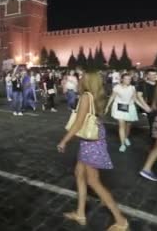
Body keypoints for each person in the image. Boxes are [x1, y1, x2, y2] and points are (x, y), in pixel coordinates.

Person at [57, 72, 129, 231]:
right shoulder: (97, 96)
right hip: (93, 139)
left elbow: (78, 123)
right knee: (78, 173)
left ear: (88, 80)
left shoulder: (86, 97)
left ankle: (121, 220)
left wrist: (64, 141)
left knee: (93, 182)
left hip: (91, 142)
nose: (80, 78)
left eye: (83, 76)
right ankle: (81, 213)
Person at [105, 73, 151, 152]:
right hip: (119, 107)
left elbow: (135, 99)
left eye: (129, 79)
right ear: (122, 79)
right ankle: (122, 144)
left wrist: (144, 107)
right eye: (126, 79)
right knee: (121, 125)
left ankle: (126, 137)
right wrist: (107, 106)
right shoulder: (117, 87)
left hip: (130, 107)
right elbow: (112, 96)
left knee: (128, 125)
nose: (128, 80)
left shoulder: (132, 88)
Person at [136, 69, 157, 140]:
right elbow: (139, 96)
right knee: (152, 124)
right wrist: (146, 107)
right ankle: (153, 140)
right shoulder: (142, 84)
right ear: (147, 76)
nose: (153, 76)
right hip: (150, 106)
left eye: (155, 74)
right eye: (151, 75)